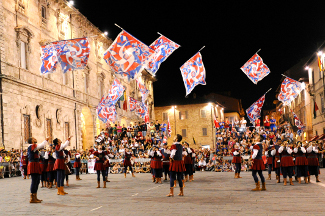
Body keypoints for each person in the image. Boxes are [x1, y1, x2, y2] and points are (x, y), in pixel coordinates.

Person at [27, 136, 49, 203]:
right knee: (34, 181)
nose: (35, 138)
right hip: (33, 164)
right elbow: (41, 145)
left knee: (37, 181)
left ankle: (35, 196)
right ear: (32, 141)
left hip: (35, 163)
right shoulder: (32, 146)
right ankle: (32, 198)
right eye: (33, 138)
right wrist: (46, 140)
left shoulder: (33, 147)